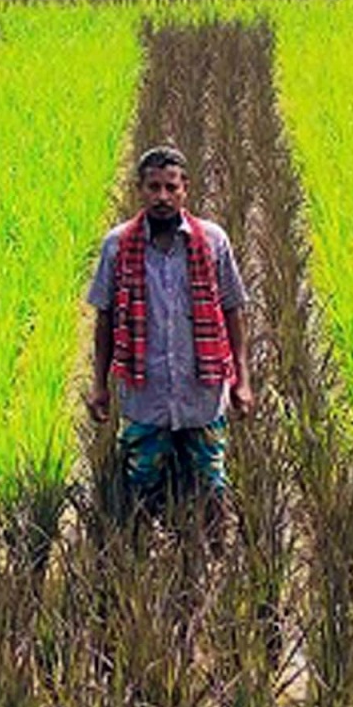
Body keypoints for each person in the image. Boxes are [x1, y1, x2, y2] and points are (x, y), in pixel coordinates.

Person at [82, 145, 254, 531]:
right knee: (141, 485)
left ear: (185, 189)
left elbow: (233, 309)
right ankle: (144, 562)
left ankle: (212, 559)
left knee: (210, 483)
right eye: (153, 187)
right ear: (140, 189)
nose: (162, 196)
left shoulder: (213, 241)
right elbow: (105, 320)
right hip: (145, 393)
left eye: (170, 187)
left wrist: (243, 379)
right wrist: (99, 386)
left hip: (202, 393)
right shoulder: (117, 246)